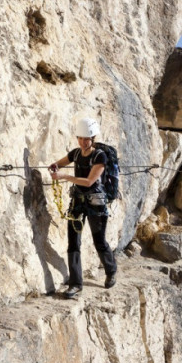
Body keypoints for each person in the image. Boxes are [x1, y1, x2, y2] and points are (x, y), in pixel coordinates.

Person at [47, 118, 117, 298]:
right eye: (80, 138)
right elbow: (59, 163)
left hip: (96, 203)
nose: (83, 142)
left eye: (87, 139)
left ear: (93, 138)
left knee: (99, 241)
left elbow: (89, 181)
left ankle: (111, 271)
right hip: (78, 203)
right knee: (73, 243)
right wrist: (55, 167)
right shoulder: (76, 154)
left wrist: (63, 176)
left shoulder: (100, 156)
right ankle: (76, 284)